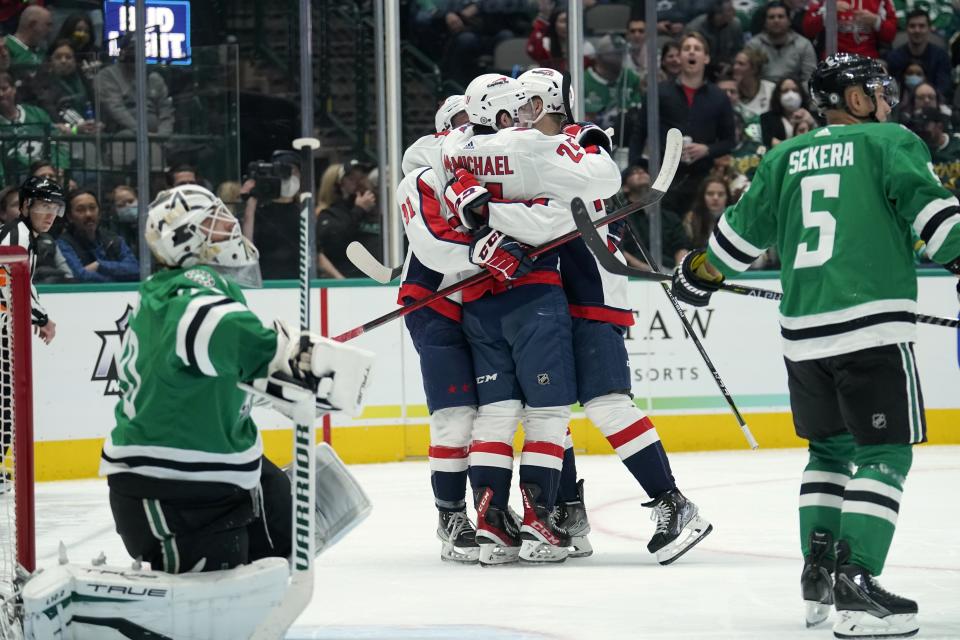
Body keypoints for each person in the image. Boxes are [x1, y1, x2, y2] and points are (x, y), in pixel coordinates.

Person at [671, 53, 960, 638]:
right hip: (871, 328)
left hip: (802, 338)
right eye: (875, 89)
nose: (884, 98)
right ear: (854, 98)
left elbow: (731, 245)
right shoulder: (890, 141)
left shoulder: (782, 156)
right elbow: (939, 222)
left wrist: (697, 275)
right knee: (885, 454)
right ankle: (858, 584)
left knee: (828, 454)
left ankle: (819, 576)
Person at [100, 184, 374, 578]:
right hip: (172, 487)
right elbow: (249, 346)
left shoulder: (175, 296)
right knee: (213, 604)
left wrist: (281, 369)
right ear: (185, 240)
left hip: (215, 472)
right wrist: (300, 363)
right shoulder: (191, 303)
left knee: (292, 526)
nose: (230, 231)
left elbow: (211, 375)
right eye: (214, 225)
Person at [517, 68, 712, 564]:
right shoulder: (520, 154)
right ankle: (567, 513)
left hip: (594, 294)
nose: (518, 113)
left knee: (607, 405)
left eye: (526, 103)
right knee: (547, 413)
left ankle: (675, 503)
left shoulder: (585, 140)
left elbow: (585, 183)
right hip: (548, 300)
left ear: (546, 103)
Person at [631, 32, 736, 213]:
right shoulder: (659, 93)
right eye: (686, 49)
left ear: (706, 58)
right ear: (679, 57)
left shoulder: (719, 97)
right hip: (664, 178)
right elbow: (639, 133)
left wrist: (707, 149)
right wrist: (635, 168)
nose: (691, 53)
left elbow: (729, 141)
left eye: (697, 49)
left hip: (703, 179)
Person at [0, 176, 61, 342]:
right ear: (26, 206)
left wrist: (40, 315)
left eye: (55, 208)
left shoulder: (25, 235)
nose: (51, 215)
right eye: (44, 206)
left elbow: (22, 283)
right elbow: (8, 288)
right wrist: (41, 318)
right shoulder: (18, 237)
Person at [241, 150, 304, 280]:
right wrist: (251, 201)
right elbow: (247, 246)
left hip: (297, 280)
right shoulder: (259, 211)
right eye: (285, 171)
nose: (289, 176)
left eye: (294, 172)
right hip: (266, 281)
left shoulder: (304, 213)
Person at [315, 157, 381, 279]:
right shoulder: (331, 214)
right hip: (348, 281)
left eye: (362, 177)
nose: (359, 183)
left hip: (380, 278)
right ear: (339, 185)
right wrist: (359, 210)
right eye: (352, 178)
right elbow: (333, 243)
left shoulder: (381, 210)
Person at [57, 189, 138, 282]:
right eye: (80, 210)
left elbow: (136, 269)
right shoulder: (64, 243)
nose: (88, 214)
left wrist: (99, 265)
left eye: (92, 208)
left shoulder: (113, 239)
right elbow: (79, 276)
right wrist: (117, 278)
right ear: (70, 217)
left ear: (99, 212)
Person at [745, 1, 817, 85]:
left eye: (781, 16)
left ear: (789, 21)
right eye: (771, 17)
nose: (776, 20)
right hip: (762, 93)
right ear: (765, 23)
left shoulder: (804, 45)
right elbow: (747, 77)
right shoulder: (753, 45)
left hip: (795, 93)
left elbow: (810, 79)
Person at [884, 9, 951, 98]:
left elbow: (944, 88)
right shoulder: (894, 57)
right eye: (912, 26)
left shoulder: (941, 57)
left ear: (929, 29)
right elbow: (891, 90)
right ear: (906, 29)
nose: (917, 30)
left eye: (922, 26)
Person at [802, 0, 897, 60]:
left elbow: (891, 35)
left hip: (869, 60)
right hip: (833, 60)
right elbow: (808, 30)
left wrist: (876, 21)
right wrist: (829, 11)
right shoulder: (824, 2)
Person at [760, 76, 818, 147]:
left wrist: (812, 122)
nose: (790, 95)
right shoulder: (767, 118)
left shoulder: (814, 115)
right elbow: (770, 142)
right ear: (778, 95)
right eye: (785, 91)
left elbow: (822, 138)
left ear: (801, 93)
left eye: (795, 90)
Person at [684, 0, 743, 68]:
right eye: (730, 10)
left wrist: (730, 65)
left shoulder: (735, 25)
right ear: (718, 15)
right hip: (701, 67)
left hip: (727, 67)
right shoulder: (695, 29)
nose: (734, 12)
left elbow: (739, 50)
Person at [682, 175, 731, 249]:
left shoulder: (734, 219)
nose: (715, 198)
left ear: (727, 197)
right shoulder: (691, 219)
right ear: (702, 196)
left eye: (720, 194)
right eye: (710, 194)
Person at [5, 5, 52, 76]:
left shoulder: (42, 51)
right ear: (32, 25)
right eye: (47, 25)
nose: (50, 30)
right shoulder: (5, 46)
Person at [731, 48, 775, 122]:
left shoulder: (770, 89)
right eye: (735, 63)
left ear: (754, 69)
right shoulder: (729, 90)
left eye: (741, 64)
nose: (735, 67)